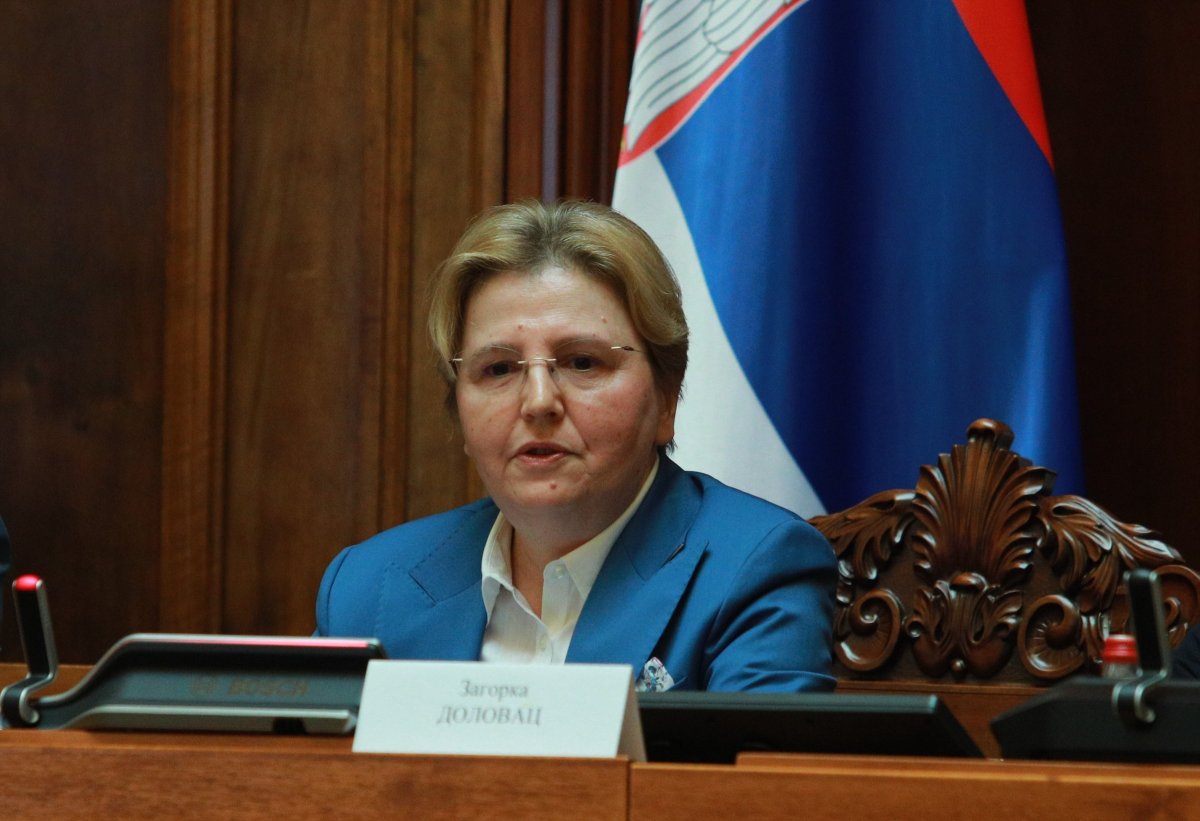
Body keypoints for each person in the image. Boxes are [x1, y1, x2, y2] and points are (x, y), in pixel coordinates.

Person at [315, 200, 836, 692]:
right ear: (459, 411)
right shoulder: (367, 587)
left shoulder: (755, 569)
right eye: (498, 368)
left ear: (666, 398)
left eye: (582, 362)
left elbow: (758, 763)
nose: (539, 402)